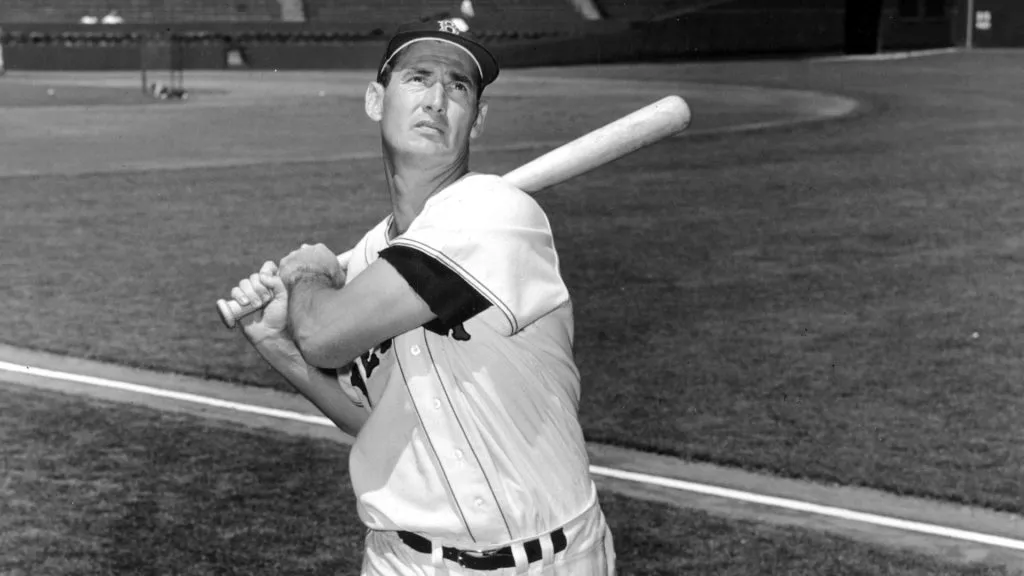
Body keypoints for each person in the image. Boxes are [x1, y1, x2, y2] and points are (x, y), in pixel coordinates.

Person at [228, 19, 616, 575]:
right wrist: (275, 344)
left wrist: (309, 275)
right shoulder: (368, 259)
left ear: (476, 120)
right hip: (402, 561)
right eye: (418, 78)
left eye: (458, 87)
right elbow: (375, 421)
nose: (437, 99)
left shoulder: (495, 212)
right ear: (375, 100)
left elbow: (323, 336)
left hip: (547, 560)